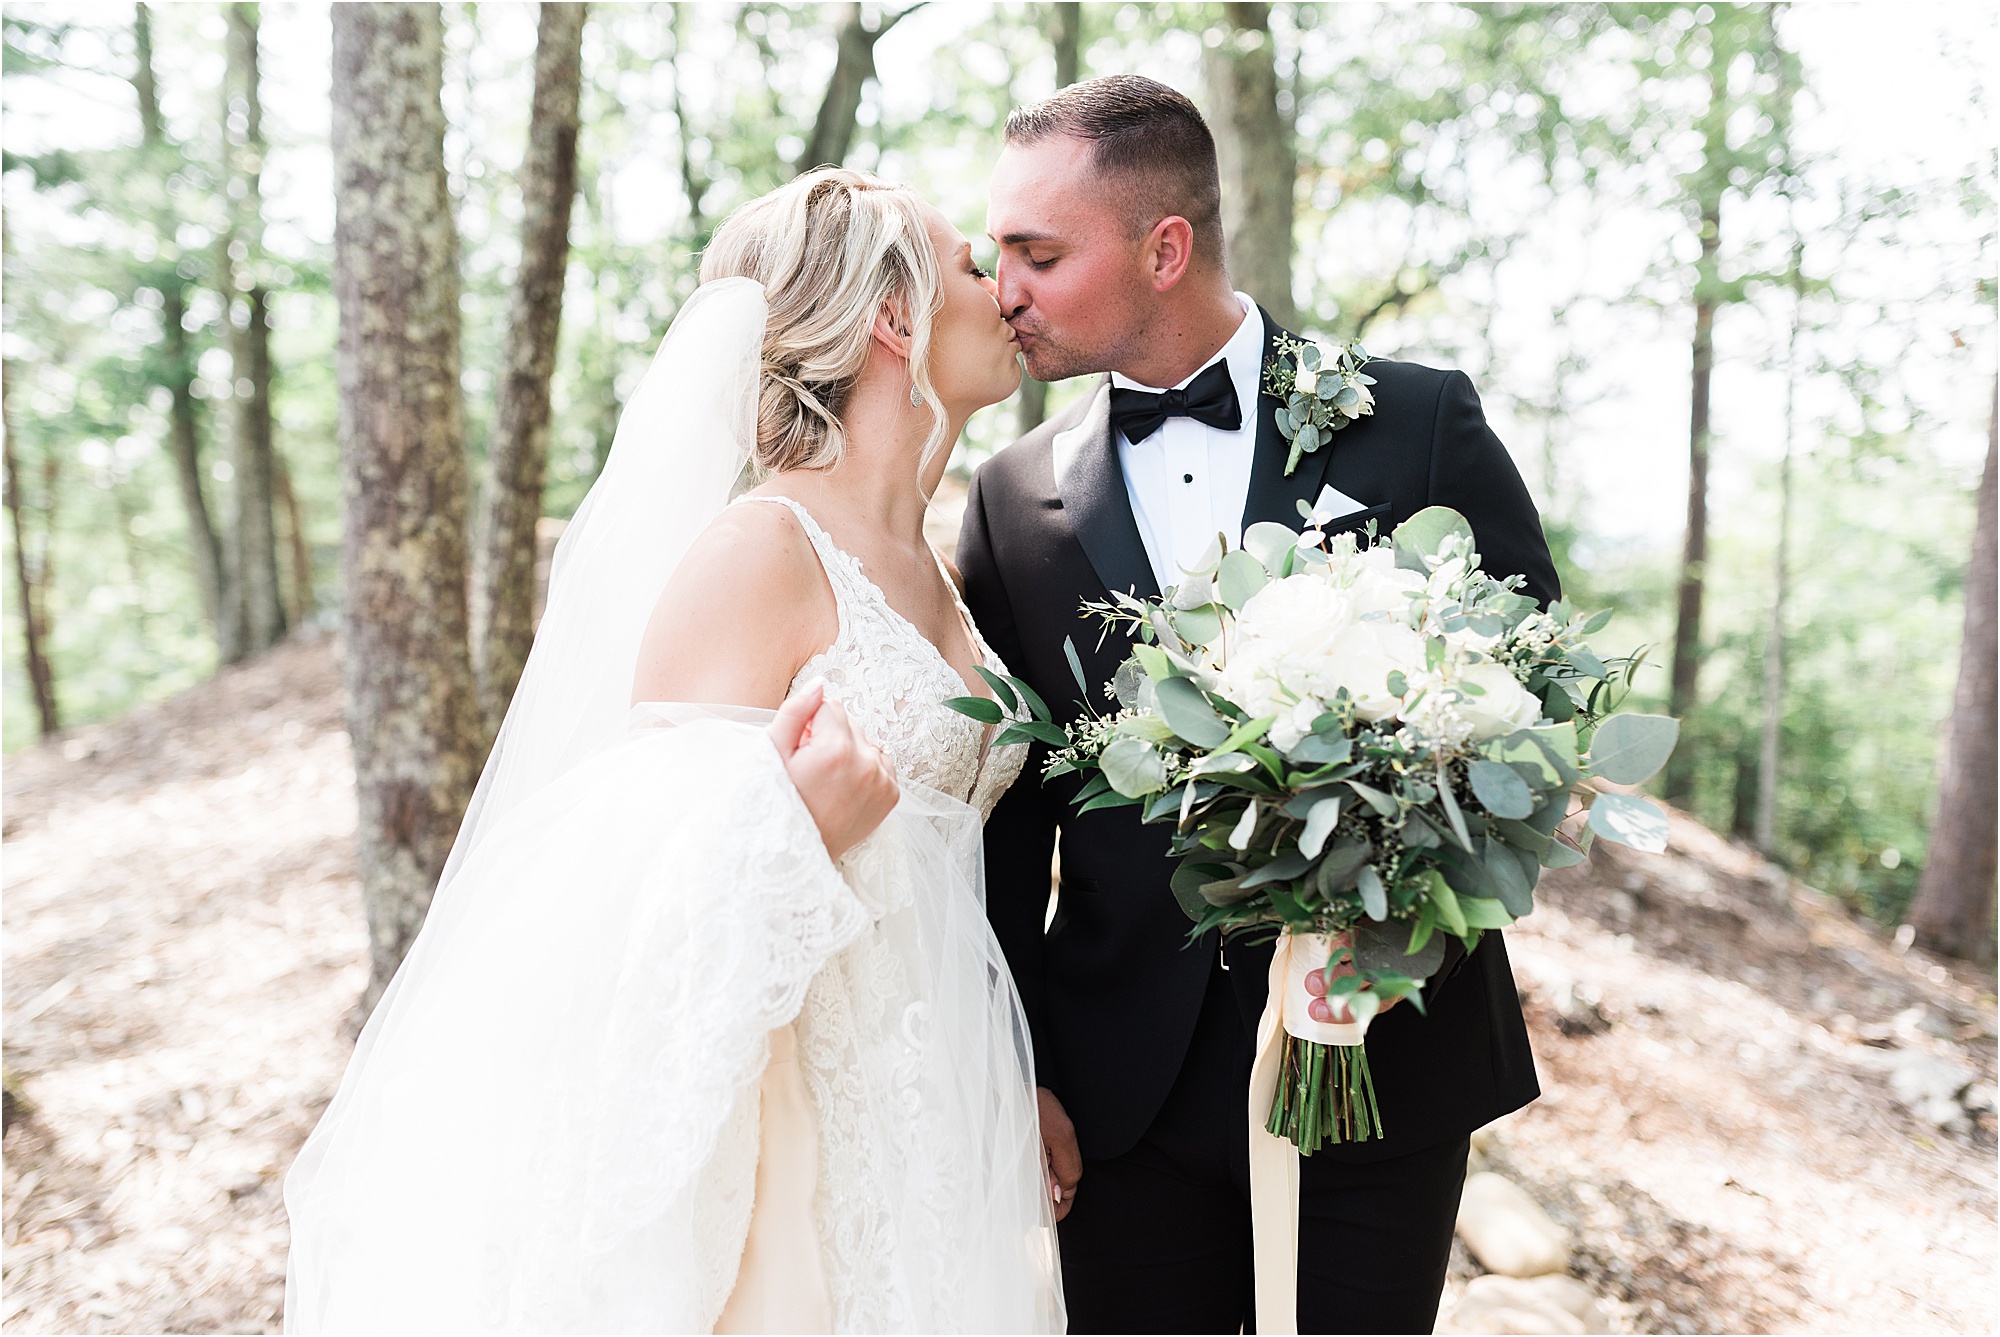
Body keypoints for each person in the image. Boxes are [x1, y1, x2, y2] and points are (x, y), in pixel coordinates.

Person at [285, 170, 1063, 1333]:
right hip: (795, 1136)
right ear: (893, 316)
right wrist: (796, 827)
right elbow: (620, 918)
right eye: (966, 264)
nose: (999, 287)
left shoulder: (938, 567)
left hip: (939, 1101)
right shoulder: (756, 552)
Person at [960, 75, 1560, 1335]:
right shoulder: (1010, 499)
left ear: (1161, 247)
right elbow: (1006, 827)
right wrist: (1025, 1073)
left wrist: (1389, 866)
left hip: (1380, 1056)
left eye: (1037, 252)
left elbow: (1532, 708)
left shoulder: (1416, 421)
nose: (1001, 285)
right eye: (998, 250)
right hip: (1121, 1089)